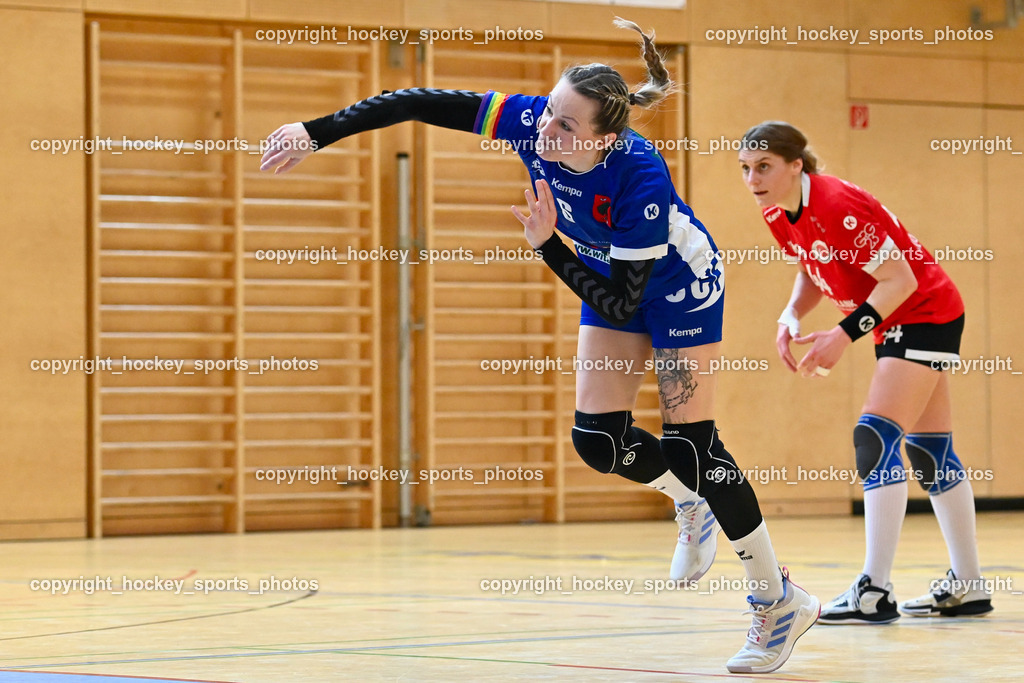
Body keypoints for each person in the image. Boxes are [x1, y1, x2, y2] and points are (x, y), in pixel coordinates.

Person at [261, 20, 818, 672]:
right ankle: (687, 496)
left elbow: (619, 303)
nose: (544, 134)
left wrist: (549, 245)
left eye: (565, 128)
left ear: (607, 139)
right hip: (612, 274)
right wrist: (316, 131)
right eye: (547, 116)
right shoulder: (530, 122)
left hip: (678, 286)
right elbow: (412, 100)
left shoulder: (639, 178)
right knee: (599, 441)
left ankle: (777, 597)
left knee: (696, 445)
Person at [738, 121, 993, 624]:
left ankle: (874, 591)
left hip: (924, 312)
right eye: (745, 169)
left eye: (763, 166)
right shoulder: (778, 211)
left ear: (796, 164)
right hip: (905, 316)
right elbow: (812, 267)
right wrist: (791, 315)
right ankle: (969, 584)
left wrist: (841, 336)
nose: (753, 179)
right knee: (929, 449)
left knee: (873, 437)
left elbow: (900, 278)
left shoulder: (836, 205)